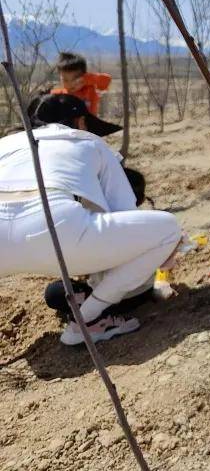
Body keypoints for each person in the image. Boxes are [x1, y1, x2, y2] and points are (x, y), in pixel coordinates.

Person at [0, 94, 182, 345]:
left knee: (57, 288)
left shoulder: (6, 144)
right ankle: (87, 320)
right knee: (169, 229)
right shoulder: (87, 141)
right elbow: (122, 212)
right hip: (57, 231)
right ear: (81, 122)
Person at [52, 51, 112, 116]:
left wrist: (86, 79)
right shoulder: (57, 95)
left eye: (75, 79)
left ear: (84, 76)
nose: (71, 84)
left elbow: (107, 80)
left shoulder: (90, 90)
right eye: (65, 80)